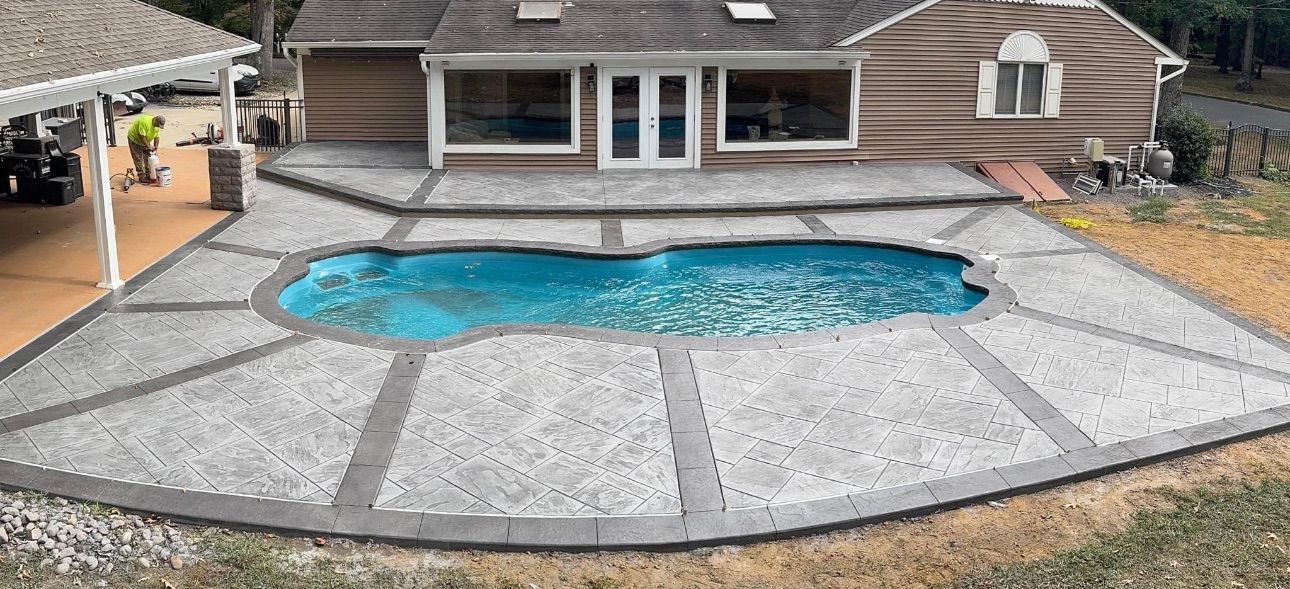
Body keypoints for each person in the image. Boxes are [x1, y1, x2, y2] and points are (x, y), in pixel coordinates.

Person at [126, 114, 165, 184]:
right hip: (135, 140)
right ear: (155, 120)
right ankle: (142, 177)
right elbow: (141, 137)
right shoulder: (144, 122)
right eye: (158, 125)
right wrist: (148, 146)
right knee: (138, 158)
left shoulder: (157, 126)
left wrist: (156, 147)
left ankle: (148, 174)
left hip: (145, 140)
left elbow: (157, 137)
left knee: (148, 157)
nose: (158, 127)